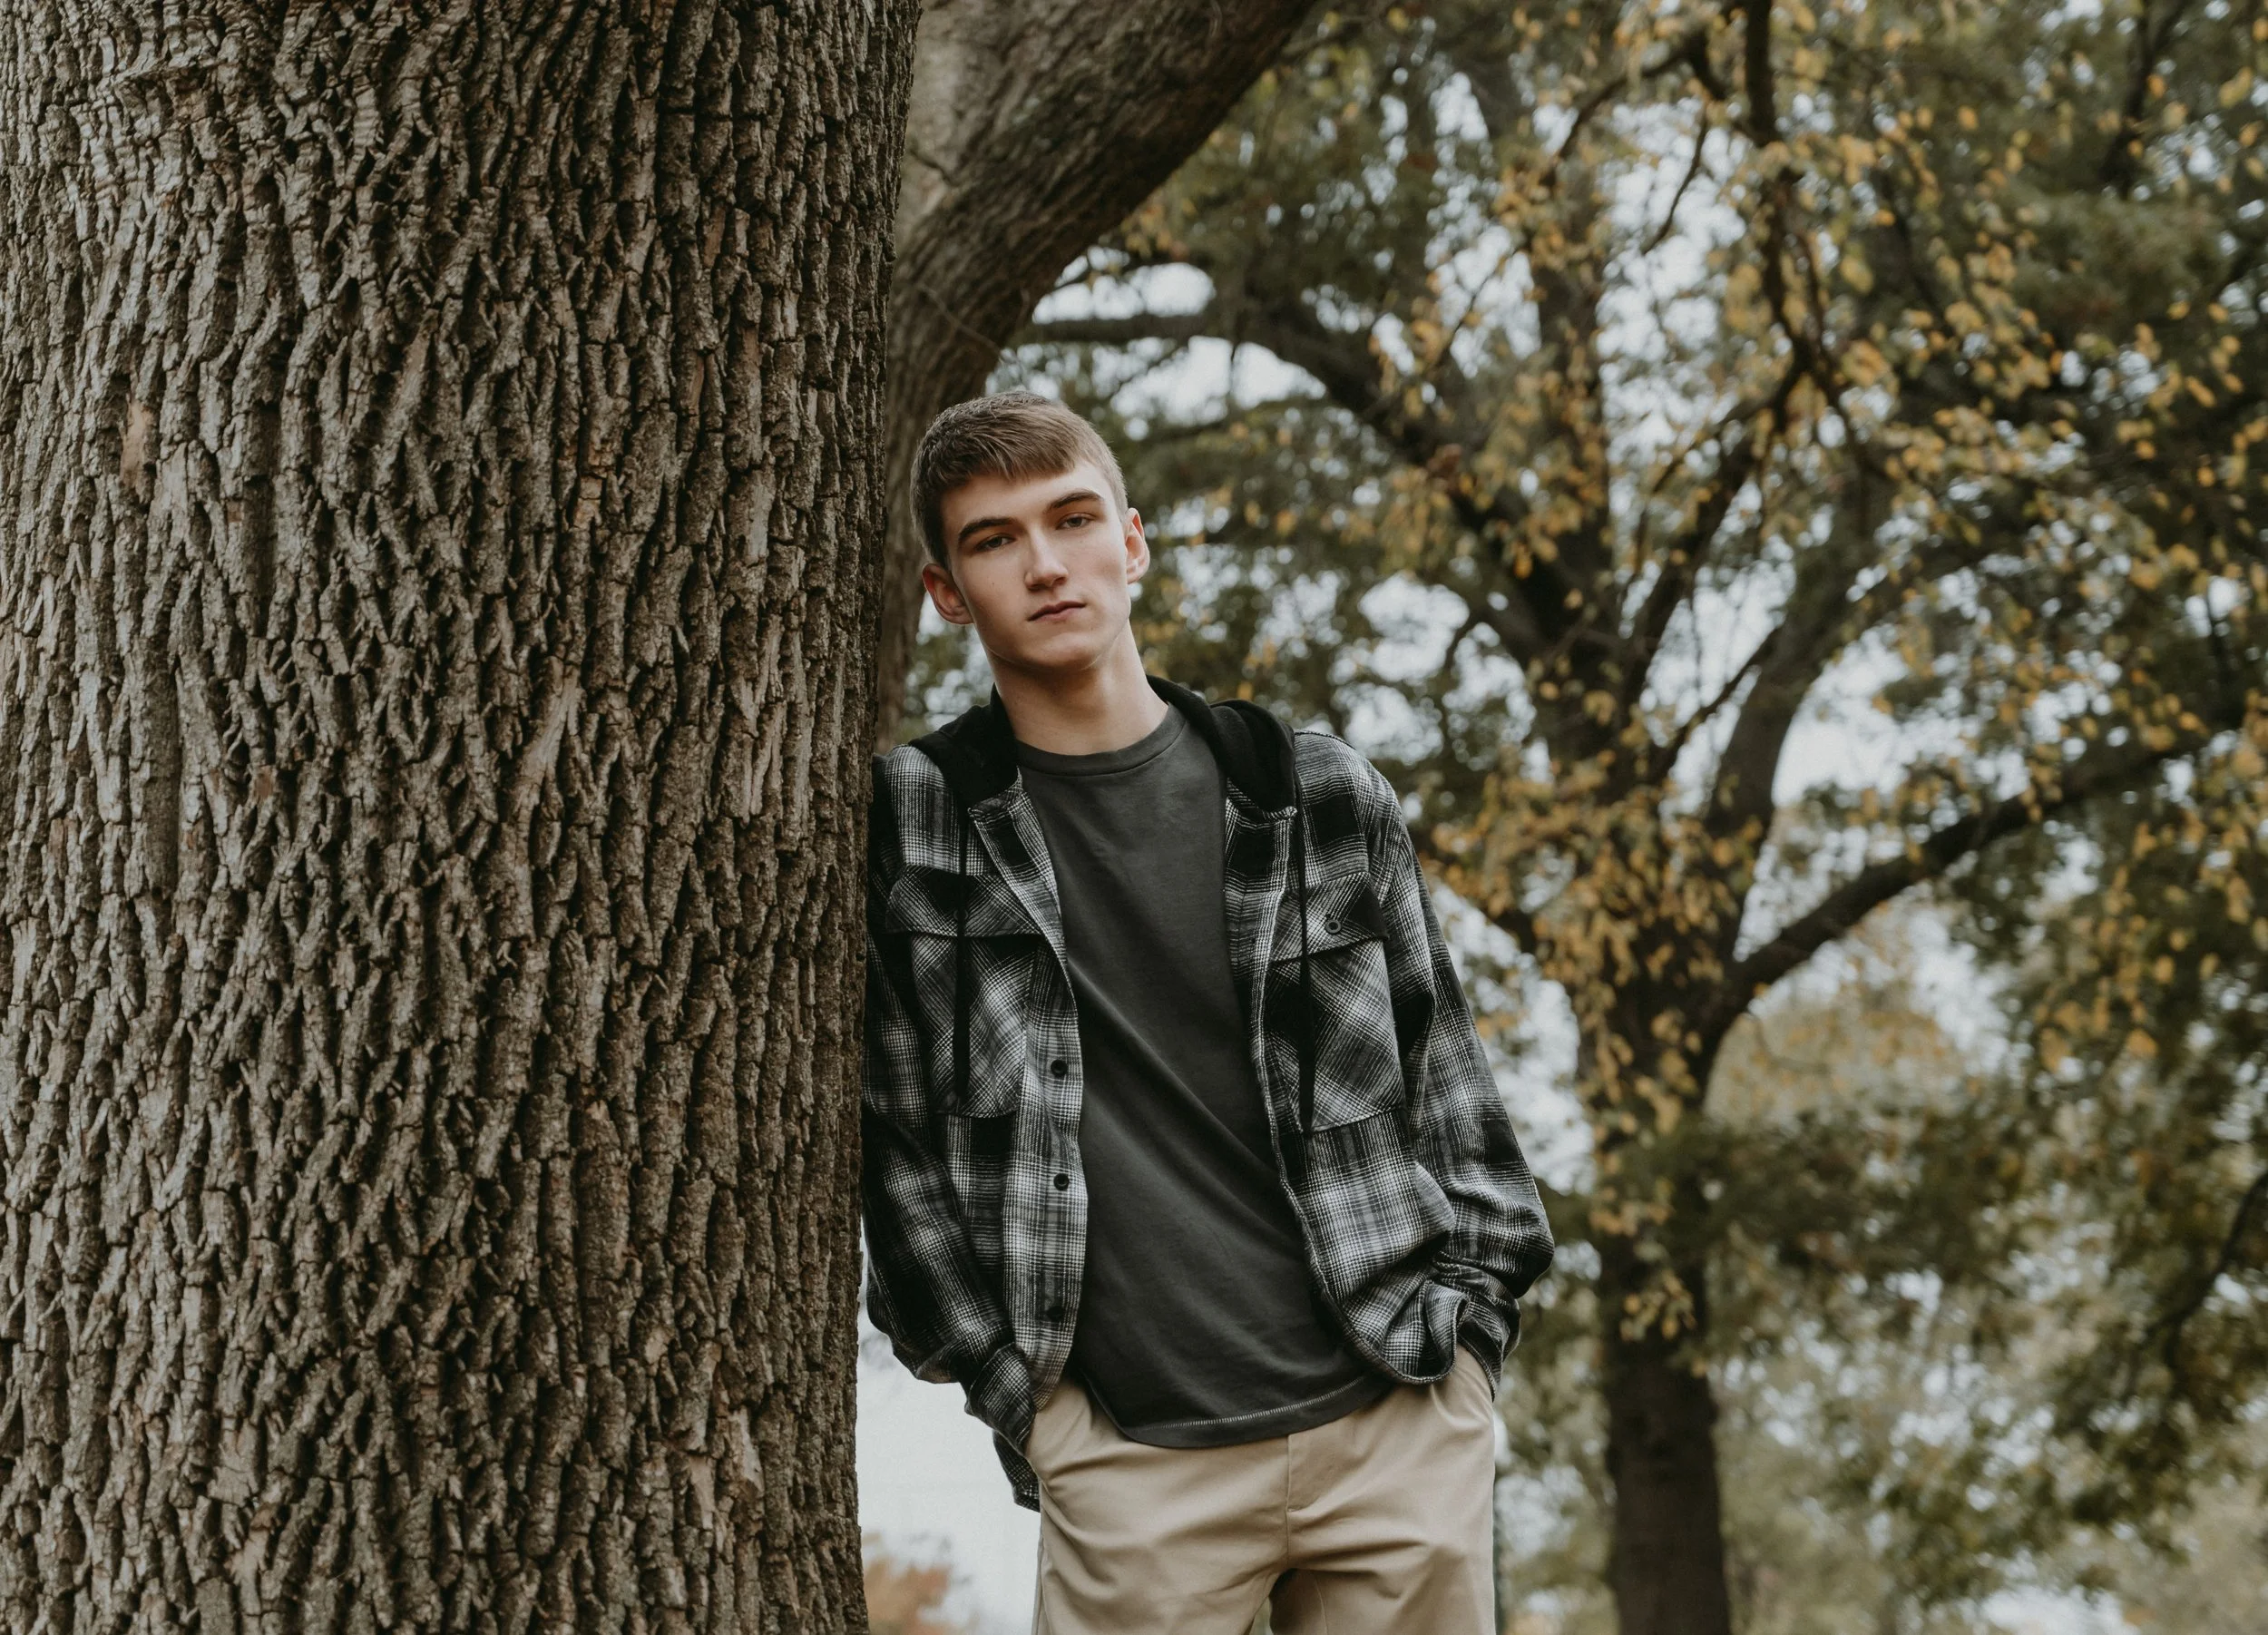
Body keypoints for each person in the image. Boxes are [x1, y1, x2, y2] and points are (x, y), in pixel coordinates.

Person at [861, 391, 1554, 1634]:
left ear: (1132, 541)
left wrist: (1471, 1349)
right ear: (946, 593)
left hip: (1395, 1418)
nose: (1046, 562)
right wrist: (1025, 1402)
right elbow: (898, 1146)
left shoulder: (1310, 789)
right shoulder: (917, 823)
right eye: (995, 538)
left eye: (1072, 519)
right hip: (1133, 1463)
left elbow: (1448, 1079)